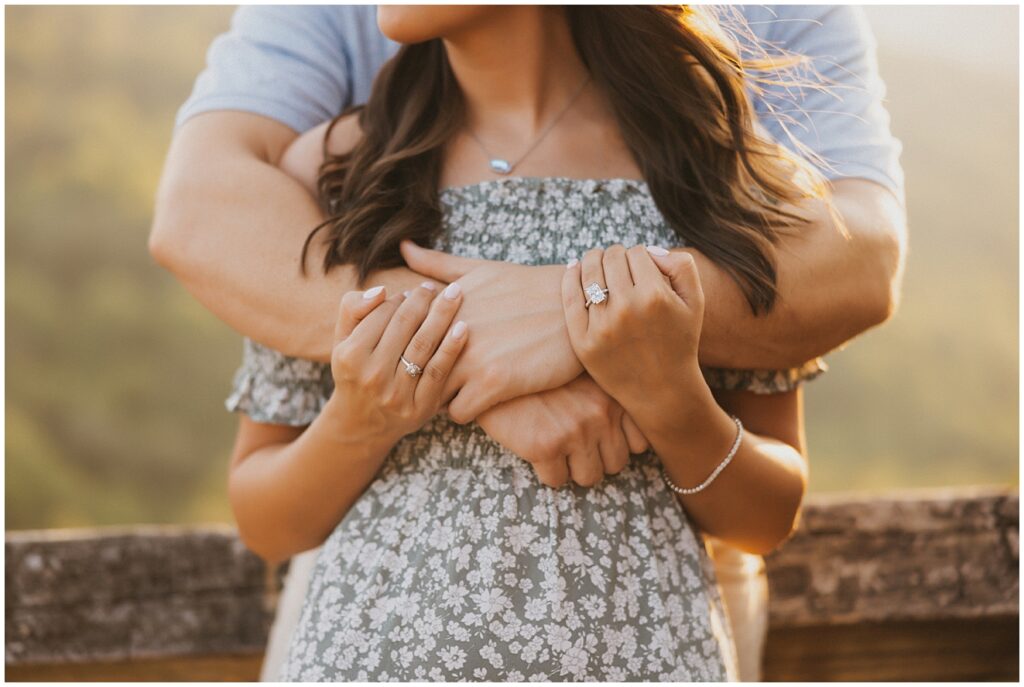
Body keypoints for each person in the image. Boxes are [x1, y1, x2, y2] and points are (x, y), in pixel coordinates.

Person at [151, 5, 905, 681]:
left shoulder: (714, 167)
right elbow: (264, 512)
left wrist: (669, 400)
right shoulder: (337, 174)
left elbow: (769, 512)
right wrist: (372, 412)